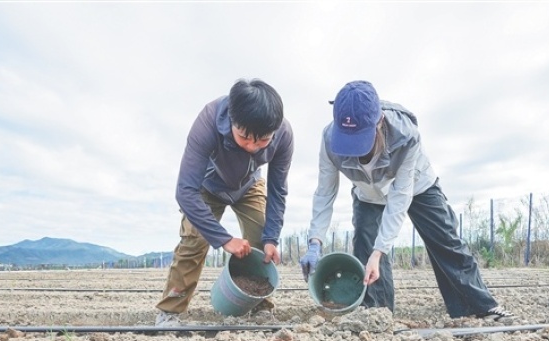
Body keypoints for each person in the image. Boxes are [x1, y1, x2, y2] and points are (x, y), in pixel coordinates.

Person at [300, 80, 512, 320]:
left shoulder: (406, 135)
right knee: (365, 245)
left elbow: (400, 196)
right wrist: (315, 241)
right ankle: (377, 313)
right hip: (368, 192)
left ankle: (478, 306)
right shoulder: (329, 139)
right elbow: (325, 191)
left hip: (417, 184)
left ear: (378, 123)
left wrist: (379, 252)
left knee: (444, 239)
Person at [156, 78, 293, 326]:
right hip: (209, 185)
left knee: (261, 239)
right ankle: (170, 312)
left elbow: (278, 189)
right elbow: (185, 191)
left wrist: (272, 237)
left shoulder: (283, 135)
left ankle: (261, 307)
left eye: (262, 141)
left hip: (249, 184)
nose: (252, 147)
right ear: (232, 120)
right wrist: (224, 240)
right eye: (244, 138)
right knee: (194, 240)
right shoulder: (208, 121)